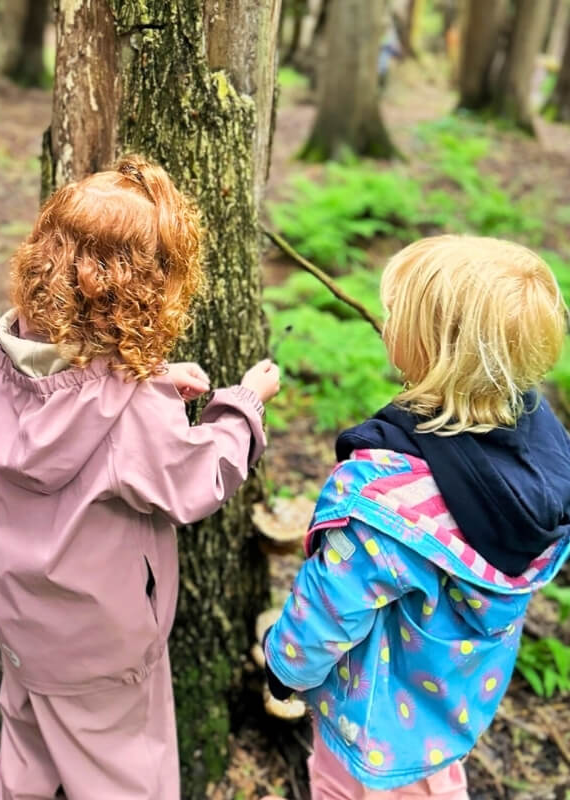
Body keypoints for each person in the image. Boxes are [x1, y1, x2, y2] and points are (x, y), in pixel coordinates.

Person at [0, 154, 281, 800]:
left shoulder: (6, 360)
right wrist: (241, 408)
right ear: (146, 289)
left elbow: (73, 397)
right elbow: (194, 480)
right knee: (124, 771)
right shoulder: (134, 411)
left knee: (27, 740)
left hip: (23, 617)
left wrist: (153, 377)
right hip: (101, 647)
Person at [261, 235, 570, 800]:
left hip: (369, 728)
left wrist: (284, 667)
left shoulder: (389, 501)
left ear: (430, 349)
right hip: (447, 710)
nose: (386, 319)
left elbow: (333, 605)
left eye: (398, 314)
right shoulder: (546, 466)